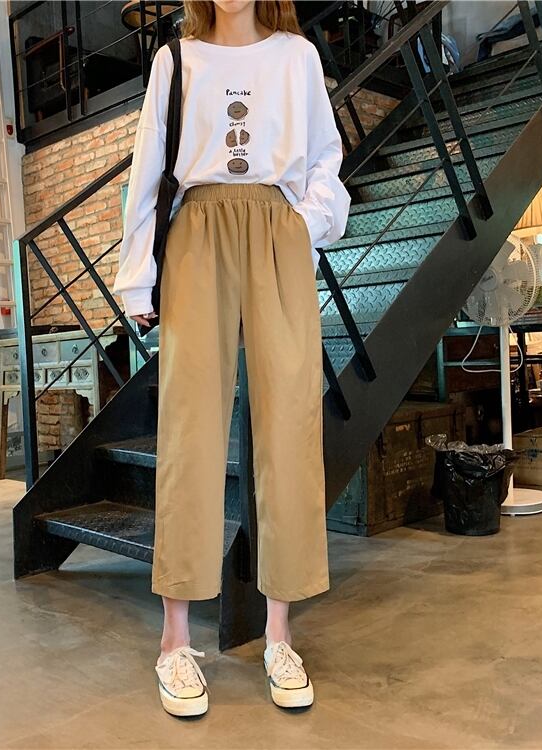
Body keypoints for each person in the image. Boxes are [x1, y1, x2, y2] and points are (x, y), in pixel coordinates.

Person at [112, 0, 351, 717]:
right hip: (198, 233)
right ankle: (175, 641)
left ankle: (279, 634)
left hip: (277, 228)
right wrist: (138, 278)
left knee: (289, 427)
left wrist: (301, 222)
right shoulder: (175, 60)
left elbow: (325, 157)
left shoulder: (297, 56)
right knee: (190, 430)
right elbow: (149, 170)